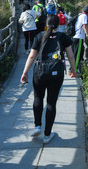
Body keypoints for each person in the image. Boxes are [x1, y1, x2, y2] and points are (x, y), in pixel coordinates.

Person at [20, 15, 77, 144]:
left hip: (39, 73)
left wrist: (25, 72)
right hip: (56, 75)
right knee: (51, 103)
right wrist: (73, 70)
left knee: (38, 98)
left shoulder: (40, 36)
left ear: (46, 23)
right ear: (58, 24)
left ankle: (37, 126)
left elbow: (32, 56)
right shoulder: (64, 37)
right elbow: (71, 56)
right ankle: (47, 135)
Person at [72, 6, 88, 73]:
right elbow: (85, 26)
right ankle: (74, 71)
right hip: (79, 37)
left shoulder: (80, 14)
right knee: (77, 55)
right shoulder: (84, 16)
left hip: (76, 36)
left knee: (76, 54)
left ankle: (72, 69)